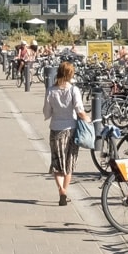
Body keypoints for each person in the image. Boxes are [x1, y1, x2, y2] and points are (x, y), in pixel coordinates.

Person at [43, 62, 88, 205]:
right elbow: (79, 109)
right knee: (69, 163)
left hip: (55, 128)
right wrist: (87, 118)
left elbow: (46, 111)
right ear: (70, 74)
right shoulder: (74, 90)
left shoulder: (51, 90)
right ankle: (65, 190)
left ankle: (60, 189)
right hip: (71, 129)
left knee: (57, 162)